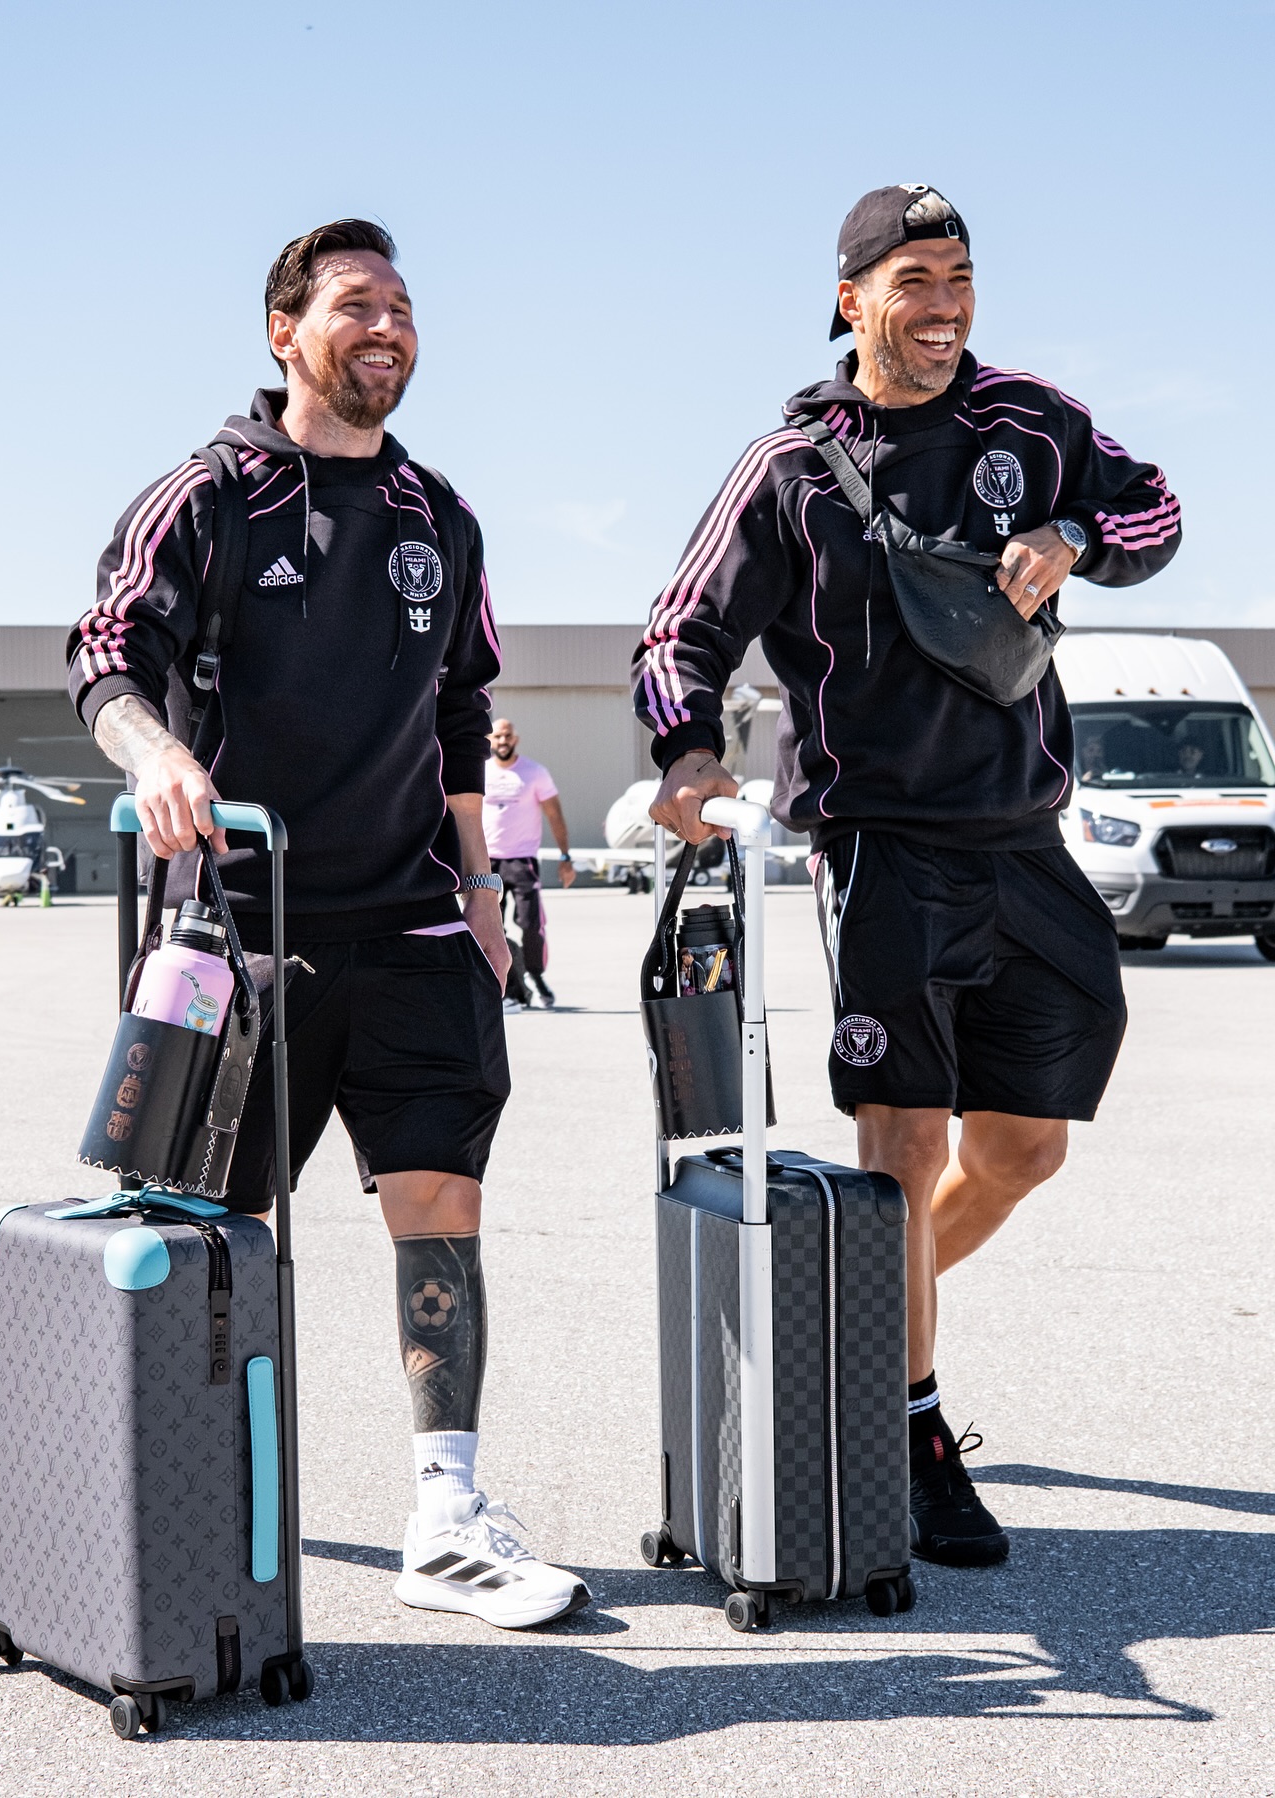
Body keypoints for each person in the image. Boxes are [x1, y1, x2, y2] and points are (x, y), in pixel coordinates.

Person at [634, 184, 1180, 1570]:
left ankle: (868, 1320)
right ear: (851, 298)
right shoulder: (793, 467)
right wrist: (689, 757)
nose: (946, 305)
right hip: (879, 847)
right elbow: (679, 629)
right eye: (916, 279)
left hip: (1026, 839)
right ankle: (914, 1419)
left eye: (963, 278)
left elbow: (1161, 505)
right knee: (906, 1142)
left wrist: (1084, 540)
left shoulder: (1034, 424)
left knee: (1023, 1149)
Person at [69, 219, 587, 1628]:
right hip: (246, 933)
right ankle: (196, 1507)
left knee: (441, 1212)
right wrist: (157, 756)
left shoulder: (438, 515)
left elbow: (462, 710)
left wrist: (482, 894)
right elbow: (109, 652)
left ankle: (449, 1514)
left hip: (419, 929)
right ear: (283, 331)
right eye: (356, 303)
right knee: (216, 1237)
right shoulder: (209, 497)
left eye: (404, 307)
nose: (388, 327)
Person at [482, 718, 576, 1010]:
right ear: (490, 739)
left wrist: (564, 857)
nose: (502, 741)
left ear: (515, 739)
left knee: (531, 925)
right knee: (490, 925)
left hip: (522, 861)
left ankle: (535, 976)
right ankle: (510, 989)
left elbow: (555, 815)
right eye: (497, 736)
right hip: (487, 863)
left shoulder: (535, 773)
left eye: (507, 736)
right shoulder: (480, 772)